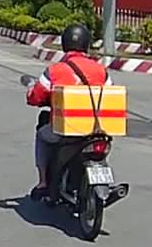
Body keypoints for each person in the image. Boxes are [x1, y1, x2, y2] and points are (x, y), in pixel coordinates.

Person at [25, 23, 112, 200]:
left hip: (66, 131)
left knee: (42, 134)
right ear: (86, 44)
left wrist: (31, 93)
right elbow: (109, 95)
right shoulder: (101, 71)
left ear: (64, 44)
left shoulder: (55, 70)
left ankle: (43, 182)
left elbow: (36, 97)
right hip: (97, 130)